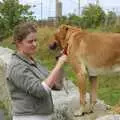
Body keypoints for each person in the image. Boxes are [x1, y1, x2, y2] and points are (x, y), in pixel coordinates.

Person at [6, 22, 67, 120]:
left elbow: (56, 85)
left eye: (35, 40)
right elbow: (41, 90)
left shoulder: (33, 62)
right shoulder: (17, 66)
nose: (34, 44)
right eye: (30, 41)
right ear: (18, 43)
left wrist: (60, 64)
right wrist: (59, 64)